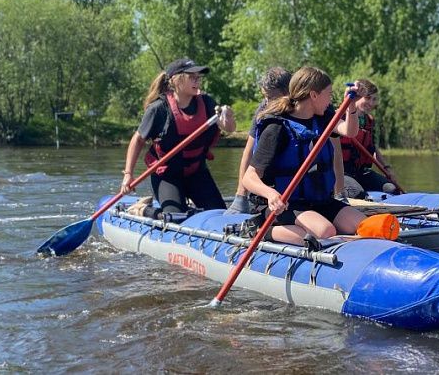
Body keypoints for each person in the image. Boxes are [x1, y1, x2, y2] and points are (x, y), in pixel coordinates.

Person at [242, 66, 366, 247]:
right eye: (329, 94)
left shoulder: (323, 118)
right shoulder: (277, 128)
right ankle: (259, 229)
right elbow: (249, 177)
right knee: (325, 232)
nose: (330, 100)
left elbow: (349, 131)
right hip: (285, 205)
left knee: (365, 226)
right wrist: (270, 194)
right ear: (314, 95)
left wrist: (351, 106)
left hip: (320, 201)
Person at [120, 58, 236, 216]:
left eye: (199, 78)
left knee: (220, 215)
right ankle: (142, 209)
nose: (197, 81)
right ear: (176, 80)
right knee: (175, 218)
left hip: (197, 173)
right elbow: (138, 140)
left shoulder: (207, 103)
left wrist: (228, 119)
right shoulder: (159, 109)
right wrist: (128, 174)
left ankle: (191, 211)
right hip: (167, 176)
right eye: (192, 77)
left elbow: (229, 128)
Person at [225, 67, 293, 214]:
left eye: (272, 97)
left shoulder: (303, 110)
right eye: (265, 96)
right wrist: (240, 196)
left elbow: (335, 152)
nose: (268, 102)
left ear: (288, 92)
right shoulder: (263, 110)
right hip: (269, 185)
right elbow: (248, 152)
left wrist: (339, 193)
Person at [338, 79, 400, 198]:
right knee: (358, 194)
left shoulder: (369, 121)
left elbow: (372, 148)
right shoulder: (339, 117)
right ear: (358, 97)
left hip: (362, 172)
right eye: (368, 98)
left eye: (374, 99)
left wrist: (387, 168)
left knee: (392, 189)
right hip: (343, 173)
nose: (371, 103)